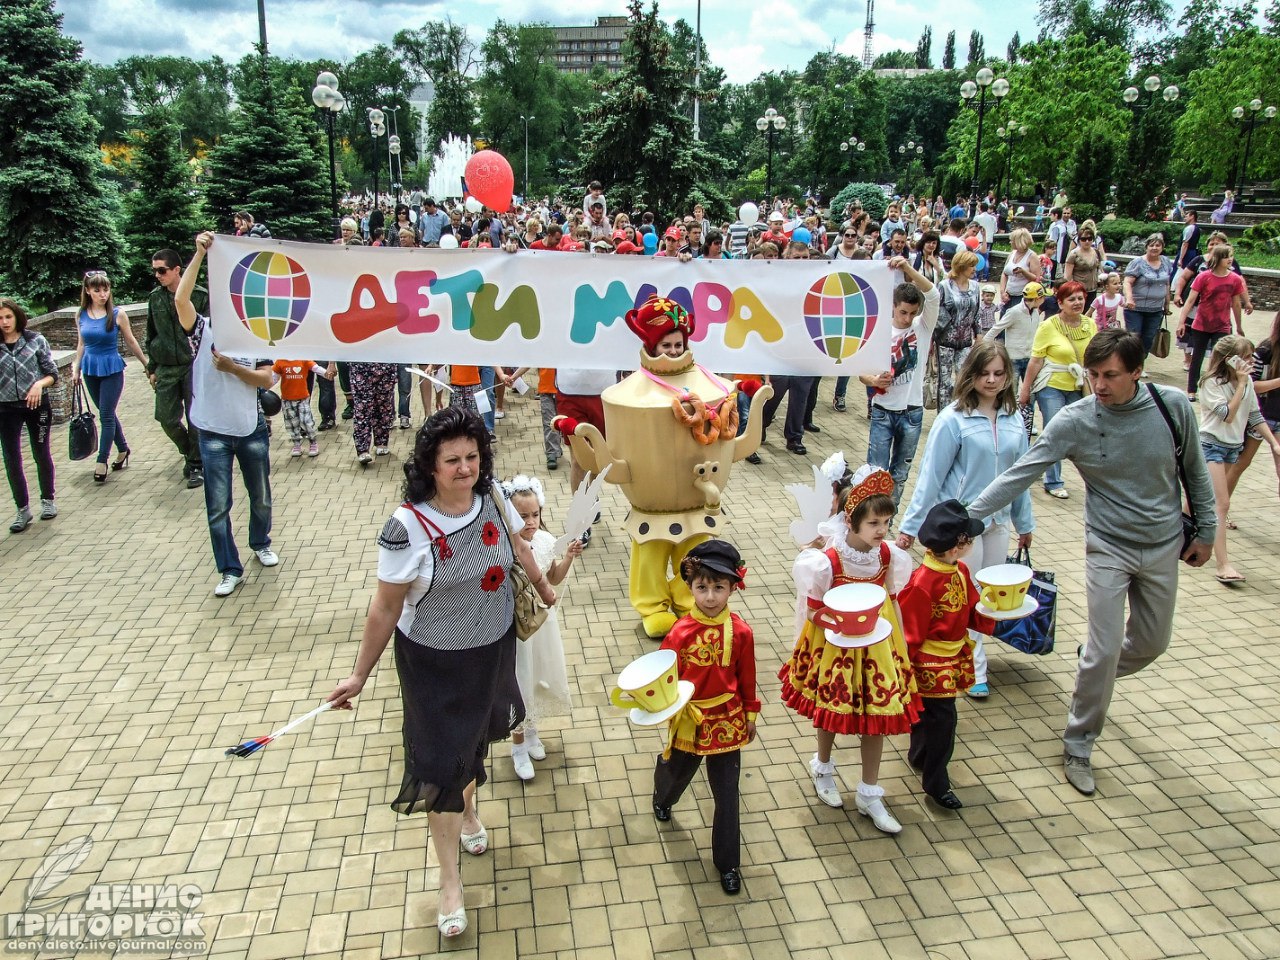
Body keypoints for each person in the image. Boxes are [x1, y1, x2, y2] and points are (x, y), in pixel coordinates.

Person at [327, 407, 556, 939]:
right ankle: (449, 880)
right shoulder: (407, 527)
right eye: (452, 460)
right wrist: (358, 676)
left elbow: (518, 548)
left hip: (490, 653)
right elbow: (384, 609)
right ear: (429, 465)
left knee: (472, 750)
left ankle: (470, 815)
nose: (465, 469)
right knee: (442, 768)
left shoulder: (492, 499)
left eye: (472, 457)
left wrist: (544, 588)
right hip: (434, 666)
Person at [966, 329, 1216, 795]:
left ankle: (1093, 669)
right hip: (1107, 545)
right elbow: (1021, 473)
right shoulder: (1074, 421)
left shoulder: (1173, 406)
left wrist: (1207, 531)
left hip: (1163, 544)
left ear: (1137, 373)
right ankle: (1079, 743)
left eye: (1111, 376)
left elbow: (1196, 472)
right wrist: (966, 516)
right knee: (1105, 648)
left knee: (1151, 644)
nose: (1099, 385)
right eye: (1092, 374)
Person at [778, 466, 920, 831]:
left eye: (887, 521)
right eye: (874, 522)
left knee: (877, 717)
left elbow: (893, 601)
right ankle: (823, 766)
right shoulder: (827, 561)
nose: (882, 530)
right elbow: (813, 612)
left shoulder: (888, 556)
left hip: (877, 647)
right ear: (850, 520)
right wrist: (840, 628)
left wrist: (901, 648)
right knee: (831, 710)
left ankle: (869, 792)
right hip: (834, 646)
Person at [898, 341, 1035, 699]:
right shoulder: (952, 418)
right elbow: (930, 477)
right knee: (963, 598)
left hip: (999, 522)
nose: (991, 380)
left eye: (999, 373)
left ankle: (970, 659)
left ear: (1007, 376)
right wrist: (911, 527)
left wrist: (1026, 522)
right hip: (962, 527)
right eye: (984, 373)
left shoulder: (1015, 418)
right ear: (970, 375)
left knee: (988, 598)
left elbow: (1020, 476)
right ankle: (974, 669)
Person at [652, 539, 759, 895]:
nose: (710, 597)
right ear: (691, 588)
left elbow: (747, 675)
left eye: (718, 587)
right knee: (678, 771)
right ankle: (663, 796)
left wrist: (751, 713)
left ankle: (728, 864)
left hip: (728, 719)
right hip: (689, 718)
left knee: (727, 794)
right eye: (702, 587)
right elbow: (664, 676)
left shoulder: (741, 632)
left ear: (733, 587)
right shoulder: (679, 633)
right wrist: (662, 708)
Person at [175, 234, 278, 597]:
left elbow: (266, 379)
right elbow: (180, 299)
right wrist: (199, 254)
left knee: (260, 495)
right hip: (212, 430)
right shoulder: (201, 329)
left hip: (249, 427)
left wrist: (234, 369)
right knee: (218, 505)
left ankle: (260, 541)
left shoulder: (257, 335)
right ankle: (228, 568)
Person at [899, 500, 997, 808]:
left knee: (928, 716)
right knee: (944, 722)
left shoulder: (960, 570)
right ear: (957, 546)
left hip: (952, 656)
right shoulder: (923, 583)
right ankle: (937, 784)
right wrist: (904, 672)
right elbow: (910, 634)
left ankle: (920, 756)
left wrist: (996, 610)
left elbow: (972, 608)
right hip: (930, 663)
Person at [503, 475, 582, 781]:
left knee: (540, 675)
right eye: (523, 516)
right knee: (521, 679)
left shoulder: (546, 541)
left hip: (544, 623)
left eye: (535, 514)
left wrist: (568, 557)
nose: (531, 521)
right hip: (519, 628)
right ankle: (518, 746)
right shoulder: (506, 547)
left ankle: (533, 733)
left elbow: (555, 577)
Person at [1197, 336, 1280, 585]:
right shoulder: (1211, 383)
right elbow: (1227, 415)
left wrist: (1274, 443)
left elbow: (1255, 416)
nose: (1249, 362)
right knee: (1221, 505)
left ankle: (1176, 534)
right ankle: (1223, 565)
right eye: (1244, 358)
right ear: (1229, 359)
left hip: (1232, 448)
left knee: (1198, 501)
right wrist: (1243, 385)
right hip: (1210, 445)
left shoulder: (1246, 385)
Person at [859, 257, 940, 504]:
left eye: (912, 313)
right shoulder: (879, 329)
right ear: (893, 306)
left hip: (912, 411)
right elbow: (861, 372)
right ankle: (870, 522)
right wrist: (874, 380)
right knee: (876, 472)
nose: (907, 318)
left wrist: (907, 269)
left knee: (900, 474)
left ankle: (887, 523)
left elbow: (934, 294)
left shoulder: (922, 326)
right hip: (883, 410)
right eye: (903, 312)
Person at [1019, 281, 1097, 499]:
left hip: (1079, 385)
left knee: (1077, 433)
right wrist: (1025, 390)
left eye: (1080, 298)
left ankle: (1033, 462)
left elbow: (1094, 357)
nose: (1078, 302)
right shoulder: (1048, 326)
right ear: (1060, 302)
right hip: (1051, 384)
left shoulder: (1090, 325)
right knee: (1055, 431)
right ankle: (1053, 480)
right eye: (1072, 299)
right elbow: (1035, 361)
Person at [72, 271, 147, 481]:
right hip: (90, 368)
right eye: (97, 290)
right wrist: (76, 368)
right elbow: (81, 344)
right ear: (88, 291)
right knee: (107, 413)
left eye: (106, 289)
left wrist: (146, 364)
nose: (102, 294)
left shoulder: (117, 314)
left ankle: (101, 460)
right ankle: (123, 449)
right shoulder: (81, 314)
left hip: (112, 368)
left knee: (105, 415)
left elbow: (131, 341)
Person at [147, 248, 207, 488]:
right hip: (166, 367)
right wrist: (152, 368)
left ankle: (196, 464)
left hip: (193, 365)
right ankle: (188, 452)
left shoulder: (200, 295)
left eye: (162, 270)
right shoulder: (155, 298)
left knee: (196, 419)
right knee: (165, 417)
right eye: (155, 271)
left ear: (176, 270)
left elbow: (208, 332)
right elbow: (151, 333)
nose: (158, 275)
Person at [0, 298, 58, 532]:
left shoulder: (35, 340)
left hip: (37, 406)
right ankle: (22, 509)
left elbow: (52, 373)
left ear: (17, 317)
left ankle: (48, 500)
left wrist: (39, 385)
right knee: (12, 458)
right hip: (6, 409)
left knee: (41, 452)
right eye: (0, 318)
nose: (4, 322)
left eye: (8, 317)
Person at [1178, 243, 1246, 401]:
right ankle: (1191, 390)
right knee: (1197, 357)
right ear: (1218, 258)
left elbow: (1236, 304)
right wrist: (1181, 322)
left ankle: (1215, 389)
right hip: (1201, 323)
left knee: (1222, 358)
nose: (1230, 259)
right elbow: (1190, 301)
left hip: (1222, 324)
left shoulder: (1234, 279)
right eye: (1226, 256)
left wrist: (1239, 327)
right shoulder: (1204, 276)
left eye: (1231, 256)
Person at [934, 249, 982, 411]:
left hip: (966, 340)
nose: (975, 269)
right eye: (971, 266)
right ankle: (943, 414)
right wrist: (932, 339)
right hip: (945, 340)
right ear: (961, 266)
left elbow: (977, 313)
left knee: (965, 378)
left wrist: (979, 335)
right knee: (945, 382)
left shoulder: (975, 287)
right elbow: (937, 314)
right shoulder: (944, 286)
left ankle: (963, 410)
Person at [982, 281, 1045, 386]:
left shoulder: (1035, 313)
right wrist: (982, 348)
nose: (1044, 300)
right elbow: (996, 329)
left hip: (1030, 358)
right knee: (1011, 392)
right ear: (1037, 299)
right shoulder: (1014, 312)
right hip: (1013, 359)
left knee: (1031, 392)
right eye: (1043, 297)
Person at [1122, 234, 1173, 358]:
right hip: (1135, 309)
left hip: (1155, 310)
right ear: (1146, 247)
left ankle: (1140, 365)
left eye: (1158, 245)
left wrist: (1167, 303)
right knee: (1134, 338)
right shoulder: (1138, 263)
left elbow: (1166, 283)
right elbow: (1127, 282)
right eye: (1151, 245)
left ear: (1162, 247)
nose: (1154, 248)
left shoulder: (1165, 262)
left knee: (1148, 339)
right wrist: (1129, 298)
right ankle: (1130, 365)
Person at [272, 360, 332, 458]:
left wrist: (326, 373)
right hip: (287, 399)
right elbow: (273, 377)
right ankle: (296, 443)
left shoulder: (303, 359)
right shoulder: (280, 362)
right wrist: (263, 386)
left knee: (306, 421)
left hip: (303, 398)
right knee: (292, 423)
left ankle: (313, 442)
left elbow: (315, 368)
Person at [999, 228, 1042, 310]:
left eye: (1012, 240)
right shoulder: (1012, 253)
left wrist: (1023, 272)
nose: (1010, 242)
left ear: (1019, 241)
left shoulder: (1032, 256)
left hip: (1022, 296)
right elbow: (1004, 274)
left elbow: (1036, 278)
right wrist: (1002, 291)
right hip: (1008, 294)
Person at [1063, 225, 1102, 310]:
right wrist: (1072, 290)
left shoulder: (1096, 252)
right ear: (1079, 240)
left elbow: (1099, 269)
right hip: (1078, 291)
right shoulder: (1074, 254)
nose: (1087, 241)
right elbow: (1067, 276)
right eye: (1083, 239)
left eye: (1090, 238)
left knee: (1088, 315)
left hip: (1093, 289)